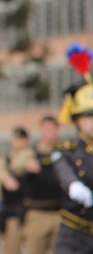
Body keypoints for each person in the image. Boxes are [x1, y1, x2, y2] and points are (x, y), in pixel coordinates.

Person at [52, 57, 93, 253]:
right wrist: (74, 184)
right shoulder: (66, 149)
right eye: (88, 116)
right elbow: (63, 170)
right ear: (76, 120)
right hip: (74, 235)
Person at [11, 116, 63, 254]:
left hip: (60, 211)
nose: (51, 132)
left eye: (54, 129)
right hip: (38, 212)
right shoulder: (31, 152)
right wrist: (26, 165)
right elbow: (16, 165)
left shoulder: (63, 152)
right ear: (41, 131)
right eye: (48, 129)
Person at [0, 127, 30, 254]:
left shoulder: (30, 156)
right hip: (13, 212)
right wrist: (7, 179)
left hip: (30, 211)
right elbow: (0, 171)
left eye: (22, 139)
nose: (19, 142)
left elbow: (19, 164)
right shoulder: (4, 161)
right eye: (16, 139)